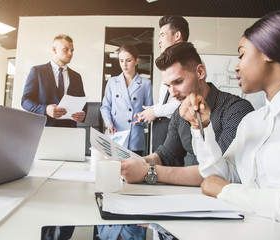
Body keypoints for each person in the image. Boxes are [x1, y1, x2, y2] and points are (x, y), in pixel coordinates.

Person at [180, 10, 280, 226]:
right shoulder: (252, 122)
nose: (236, 66)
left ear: (268, 51)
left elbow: (222, 187)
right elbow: (219, 177)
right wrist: (201, 127)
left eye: (242, 55)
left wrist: (227, 192)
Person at [121, 42, 254, 186]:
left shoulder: (237, 110)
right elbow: (165, 155)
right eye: (168, 86)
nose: (173, 93)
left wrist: (149, 171)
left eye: (178, 82)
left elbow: (217, 172)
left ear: (200, 72)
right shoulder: (179, 113)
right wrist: (130, 163)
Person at [134, 15, 188, 152]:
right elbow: (167, 102)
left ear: (177, 35)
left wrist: (155, 111)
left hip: (176, 127)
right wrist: (148, 112)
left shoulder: (188, 63)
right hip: (162, 128)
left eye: (162, 35)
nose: (159, 41)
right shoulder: (168, 65)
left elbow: (184, 102)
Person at [22, 34, 87, 127]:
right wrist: (45, 109)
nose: (70, 53)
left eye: (72, 50)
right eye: (66, 49)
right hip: (43, 129)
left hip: (69, 131)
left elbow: (82, 103)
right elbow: (25, 101)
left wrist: (83, 115)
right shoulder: (37, 71)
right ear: (54, 50)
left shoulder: (76, 77)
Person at [100, 44, 153, 156]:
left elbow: (149, 110)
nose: (124, 65)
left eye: (128, 60)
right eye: (121, 60)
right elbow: (105, 107)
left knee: (133, 171)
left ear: (136, 61)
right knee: (112, 171)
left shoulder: (145, 84)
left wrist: (142, 118)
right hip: (114, 133)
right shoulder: (112, 82)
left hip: (134, 137)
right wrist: (108, 123)